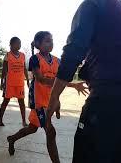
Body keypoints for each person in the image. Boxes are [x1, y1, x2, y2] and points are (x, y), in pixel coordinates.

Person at [46, 0, 121, 162]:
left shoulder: (92, 5)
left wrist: (54, 97)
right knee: (116, 154)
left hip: (107, 101)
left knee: (86, 155)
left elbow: (73, 53)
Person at [7, 31, 87, 163]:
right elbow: (41, 80)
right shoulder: (35, 59)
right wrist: (73, 85)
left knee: (32, 128)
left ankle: (12, 138)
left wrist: (57, 101)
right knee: (51, 132)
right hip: (38, 102)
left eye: (52, 40)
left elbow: (59, 83)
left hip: (50, 101)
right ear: (38, 44)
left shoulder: (57, 60)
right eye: (47, 41)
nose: (51, 43)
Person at [0, 37, 29, 127]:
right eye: (17, 43)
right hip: (10, 84)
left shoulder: (22, 55)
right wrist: (2, 82)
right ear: (11, 45)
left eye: (20, 43)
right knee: (5, 101)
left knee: (21, 102)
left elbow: (24, 68)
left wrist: (27, 80)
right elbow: (4, 70)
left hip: (19, 83)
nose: (19, 45)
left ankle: (24, 121)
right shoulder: (7, 55)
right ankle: (0, 119)